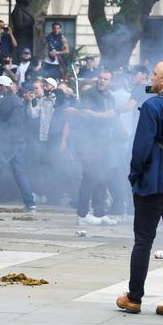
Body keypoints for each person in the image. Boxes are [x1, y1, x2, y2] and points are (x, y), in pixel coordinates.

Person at [116, 61, 163, 318]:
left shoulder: (152, 105)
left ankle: (134, 298)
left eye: (154, 74)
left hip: (153, 183)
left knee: (143, 241)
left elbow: (141, 148)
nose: (150, 77)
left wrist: (134, 176)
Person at [65, 70, 118, 226]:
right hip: (88, 142)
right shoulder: (90, 94)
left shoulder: (111, 97)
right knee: (89, 178)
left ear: (111, 82)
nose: (101, 81)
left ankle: (99, 213)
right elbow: (82, 111)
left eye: (105, 79)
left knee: (102, 177)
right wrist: (101, 115)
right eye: (100, 78)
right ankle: (82, 214)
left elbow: (112, 116)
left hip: (104, 143)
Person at [0, 76, 36, 213]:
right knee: (19, 172)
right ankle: (30, 203)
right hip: (18, 142)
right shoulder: (14, 100)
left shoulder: (8, 101)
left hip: (10, 143)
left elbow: (10, 123)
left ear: (3, 87)